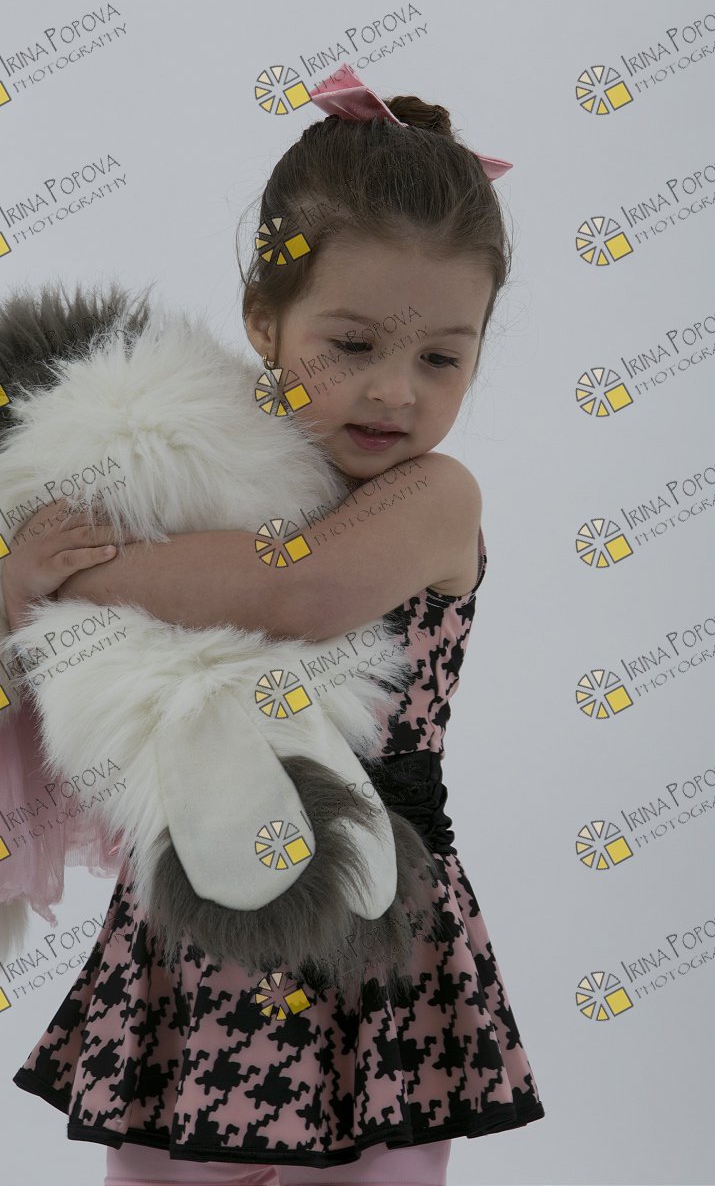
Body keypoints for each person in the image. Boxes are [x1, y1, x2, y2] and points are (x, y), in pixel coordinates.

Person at [3, 65, 545, 1184]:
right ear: (264, 319)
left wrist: (73, 576)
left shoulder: (434, 498)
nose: (394, 392)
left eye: (440, 358)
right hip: (192, 903)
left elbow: (296, 592)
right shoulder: (206, 473)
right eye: (351, 346)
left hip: (371, 911)